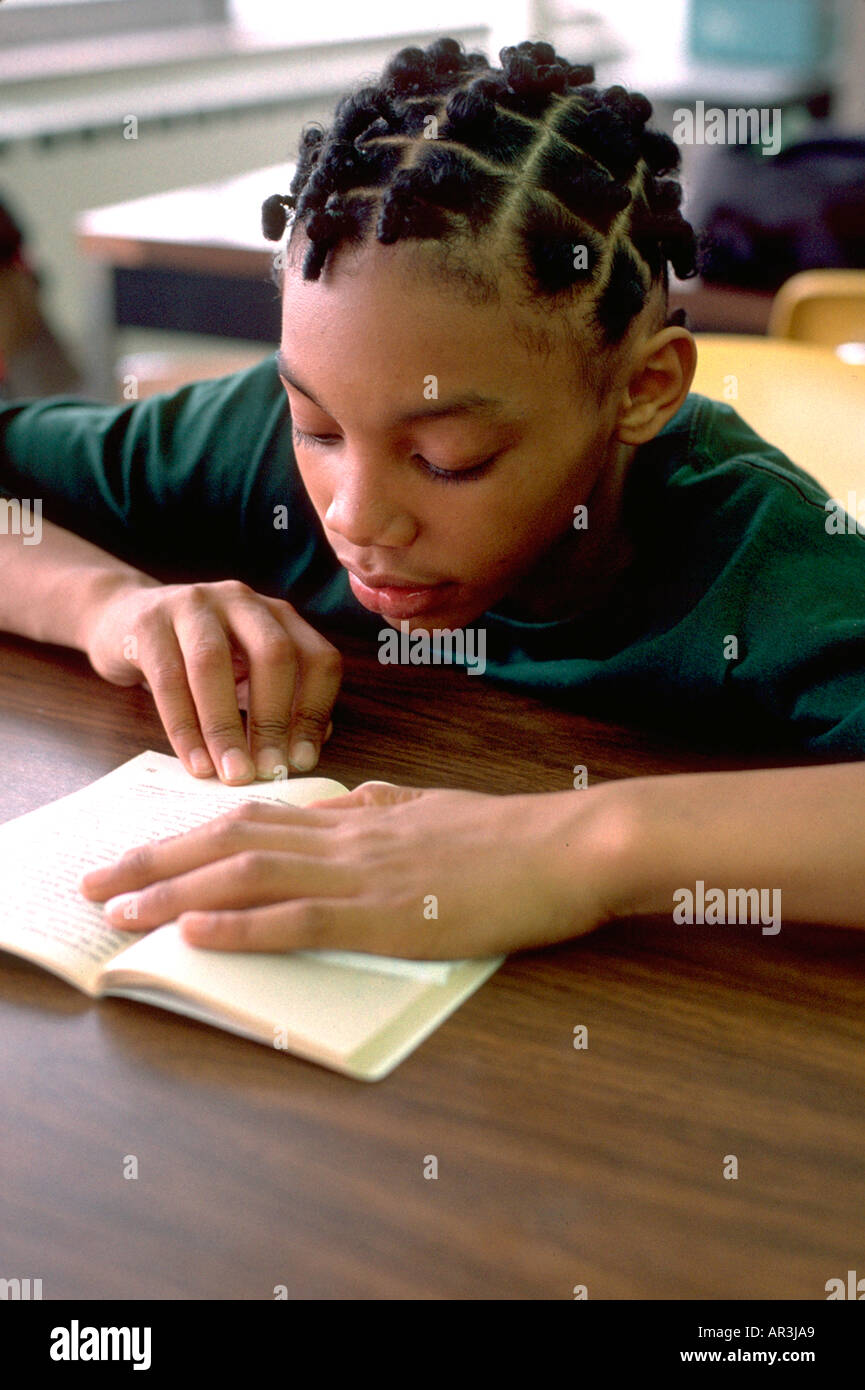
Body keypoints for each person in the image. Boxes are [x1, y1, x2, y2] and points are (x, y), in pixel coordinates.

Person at [1, 38, 864, 959]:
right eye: (318, 429)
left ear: (642, 390)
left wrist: (572, 849)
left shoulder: (762, 555)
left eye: (449, 458)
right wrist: (109, 606)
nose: (353, 518)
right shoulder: (249, 437)